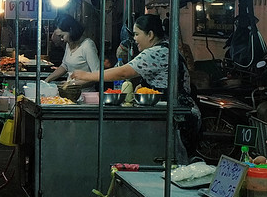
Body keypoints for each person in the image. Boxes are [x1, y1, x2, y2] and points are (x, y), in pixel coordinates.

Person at [70, 14, 201, 160]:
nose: (134, 39)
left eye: (137, 34)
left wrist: (86, 75)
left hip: (179, 117)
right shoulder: (166, 47)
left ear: (150, 34)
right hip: (178, 113)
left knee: (176, 162)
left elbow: (123, 72)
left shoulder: (156, 52)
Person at [43, 14, 101, 91]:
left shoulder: (87, 45)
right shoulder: (69, 43)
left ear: (71, 30)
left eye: (62, 36)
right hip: (69, 92)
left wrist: (72, 84)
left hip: (85, 94)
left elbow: (97, 75)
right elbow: (65, 66)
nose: (61, 40)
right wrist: (47, 80)